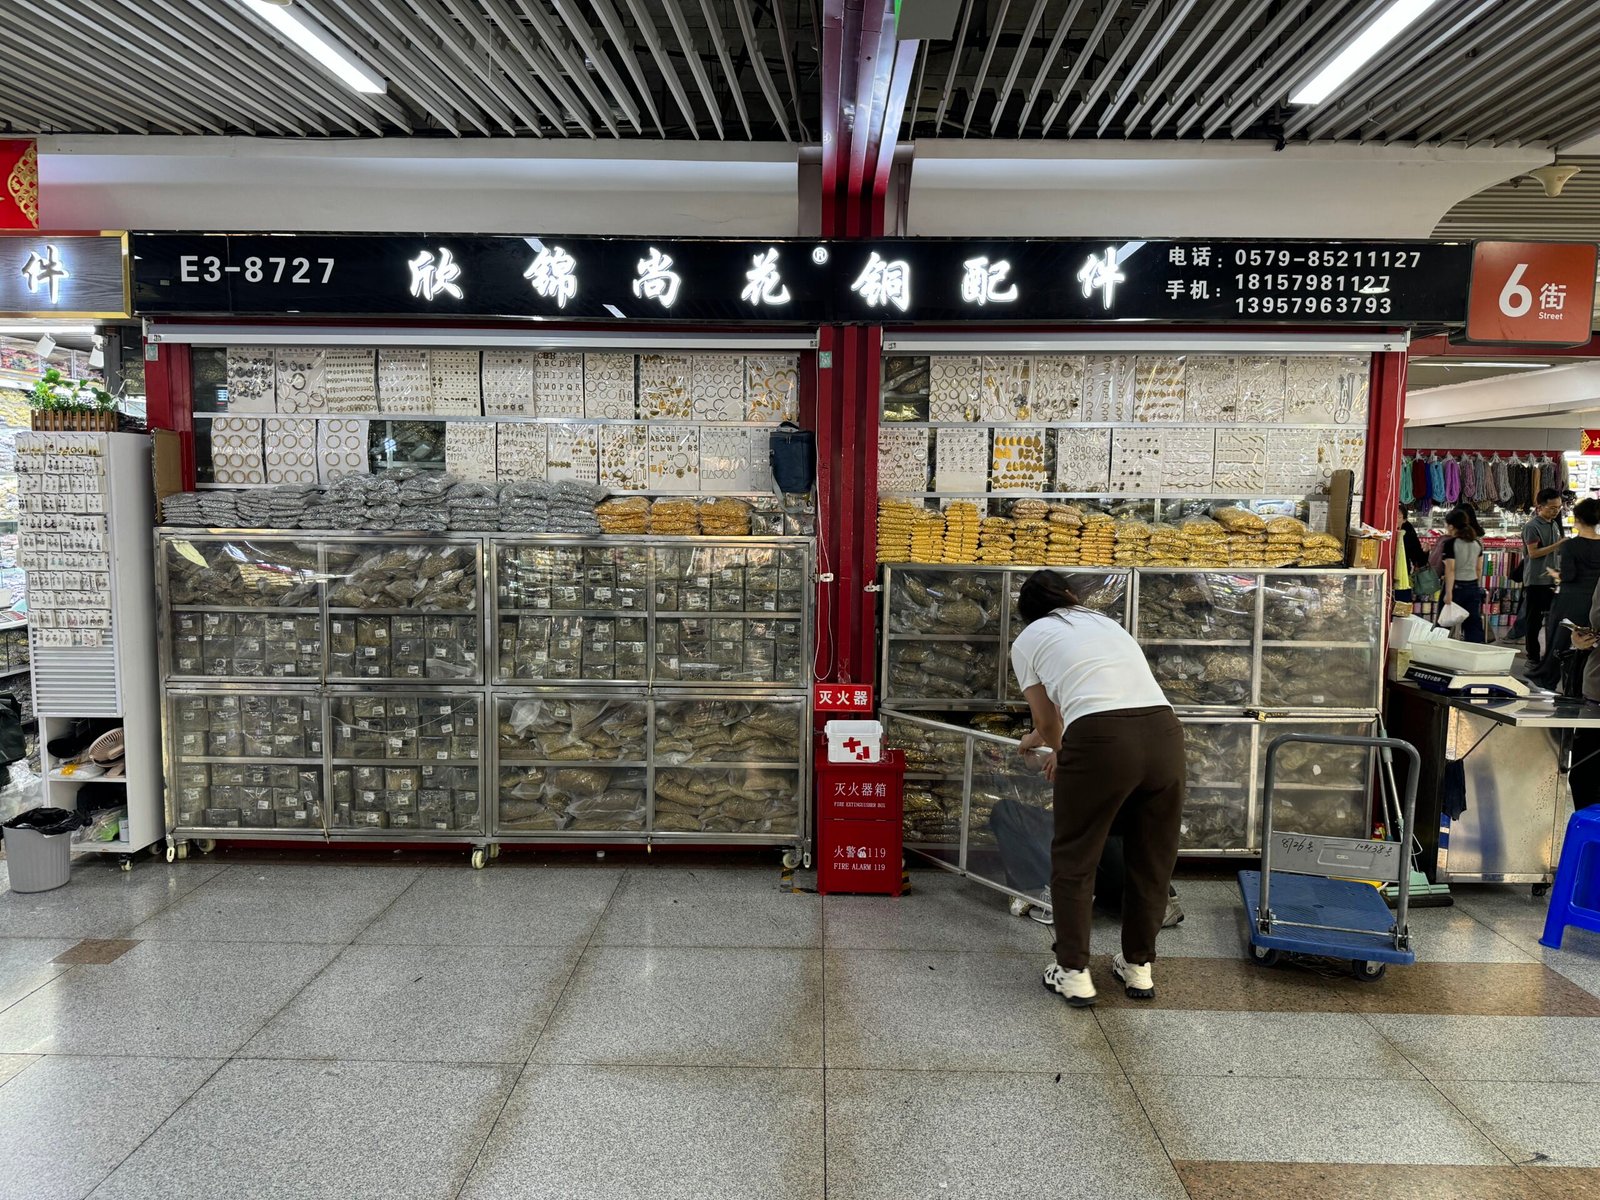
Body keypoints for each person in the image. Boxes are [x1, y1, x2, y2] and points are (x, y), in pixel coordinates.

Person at [1011, 569, 1185, 1006]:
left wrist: (1058, 748)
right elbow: (1103, 695)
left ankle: (1072, 972)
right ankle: (1138, 967)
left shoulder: (1029, 639)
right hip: (1164, 735)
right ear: (1070, 595)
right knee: (1152, 859)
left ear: (1027, 613)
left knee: (1075, 856)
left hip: (1100, 740)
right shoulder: (1106, 623)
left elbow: (1049, 720)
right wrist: (1052, 740)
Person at [1531, 498, 1600, 691]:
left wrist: (1555, 574)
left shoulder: (1570, 545)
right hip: (1595, 599)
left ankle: (1551, 677)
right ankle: (1581, 678)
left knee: (1562, 638)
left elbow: (1569, 575)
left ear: (1577, 519)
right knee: (1591, 641)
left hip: (1572, 599)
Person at [1521, 488, 1565, 668]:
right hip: (1536, 580)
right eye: (1552, 508)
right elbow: (1533, 553)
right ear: (1540, 507)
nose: (1556, 511)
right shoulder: (1532, 526)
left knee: (1553, 620)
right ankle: (1532, 657)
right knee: (1534, 621)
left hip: (1552, 579)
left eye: (1559, 507)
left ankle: (1550, 657)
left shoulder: (1553, 524)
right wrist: (1558, 545)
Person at [1441, 506, 1487, 643]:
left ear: (1451, 526)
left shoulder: (1450, 544)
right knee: (1473, 623)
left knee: (1444, 623)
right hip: (1472, 586)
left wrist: (1448, 593)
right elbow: (1479, 568)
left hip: (1456, 587)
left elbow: (1450, 570)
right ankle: (1475, 649)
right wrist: (1475, 586)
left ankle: (1440, 647)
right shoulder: (1476, 544)